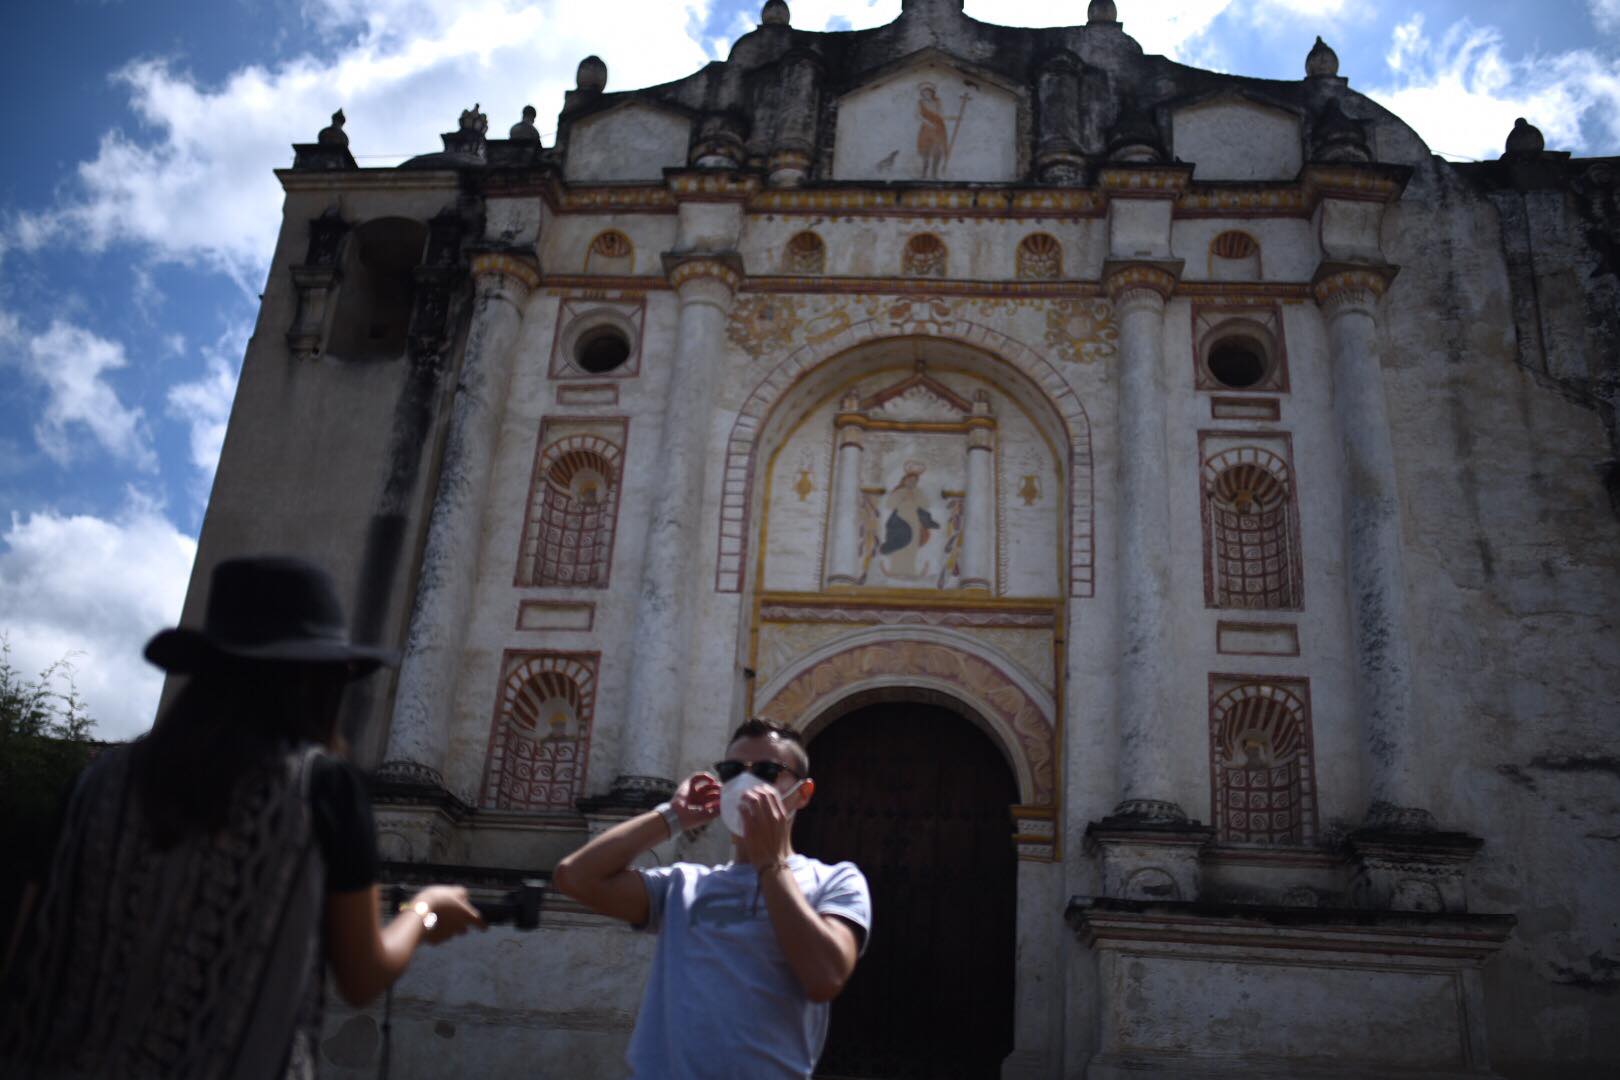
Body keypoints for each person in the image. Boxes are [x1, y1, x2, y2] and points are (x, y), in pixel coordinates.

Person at [0, 556, 485, 1079]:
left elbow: (24, 950)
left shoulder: (93, 784)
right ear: (320, 681)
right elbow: (362, 975)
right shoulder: (321, 789)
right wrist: (425, 911)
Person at [554, 718, 872, 1079]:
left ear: (802, 792)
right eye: (733, 771)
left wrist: (770, 863)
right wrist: (672, 816)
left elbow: (825, 976)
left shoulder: (835, 881)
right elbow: (575, 877)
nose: (746, 783)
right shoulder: (683, 886)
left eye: (768, 771)